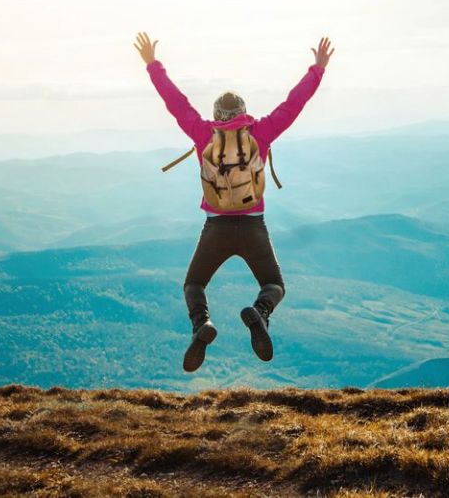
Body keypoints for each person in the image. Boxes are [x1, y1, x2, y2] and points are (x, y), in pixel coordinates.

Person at [133, 32, 332, 372]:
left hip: (216, 228)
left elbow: (176, 102)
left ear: (216, 114)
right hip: (254, 226)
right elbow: (292, 104)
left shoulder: (201, 133)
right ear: (243, 112)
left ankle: (202, 326)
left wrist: (153, 64)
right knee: (274, 285)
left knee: (194, 284)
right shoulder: (261, 133)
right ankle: (261, 312)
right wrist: (317, 69)